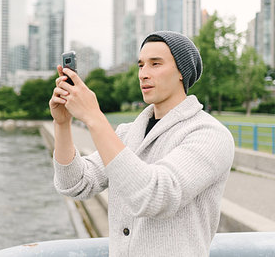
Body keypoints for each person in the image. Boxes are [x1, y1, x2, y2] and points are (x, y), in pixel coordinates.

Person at [49, 31, 235, 256]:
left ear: (181, 73)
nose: (143, 74)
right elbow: (75, 184)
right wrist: (62, 125)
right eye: (141, 65)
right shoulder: (128, 133)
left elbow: (156, 196)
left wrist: (94, 117)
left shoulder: (210, 134)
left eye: (155, 64)